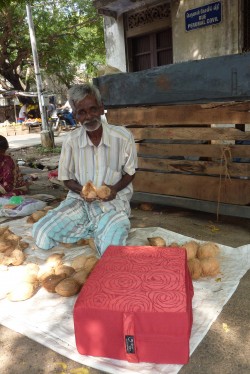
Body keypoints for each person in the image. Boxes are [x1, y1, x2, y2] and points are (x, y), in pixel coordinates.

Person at [32, 83, 138, 256]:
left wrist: (114, 189)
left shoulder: (123, 137)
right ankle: (94, 231)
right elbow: (66, 178)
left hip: (112, 204)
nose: (89, 116)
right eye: (82, 112)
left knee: (111, 250)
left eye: (93, 109)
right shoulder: (71, 141)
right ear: (75, 115)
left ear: (102, 108)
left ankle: (101, 229)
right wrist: (81, 190)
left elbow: (131, 172)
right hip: (79, 203)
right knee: (42, 233)